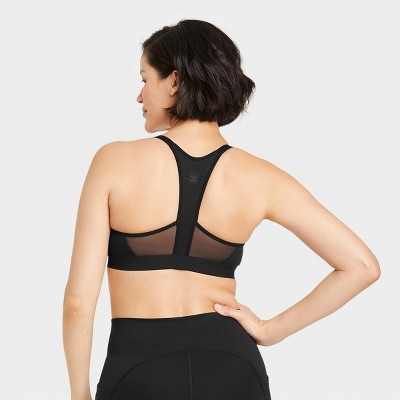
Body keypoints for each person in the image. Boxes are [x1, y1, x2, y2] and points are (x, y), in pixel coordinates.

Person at [62, 19, 381, 400]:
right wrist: (269, 330)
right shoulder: (261, 176)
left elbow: (78, 302)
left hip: (139, 369)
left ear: (174, 81)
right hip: (233, 366)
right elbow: (361, 266)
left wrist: (79, 394)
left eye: (144, 79)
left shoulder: (113, 161)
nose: (139, 95)